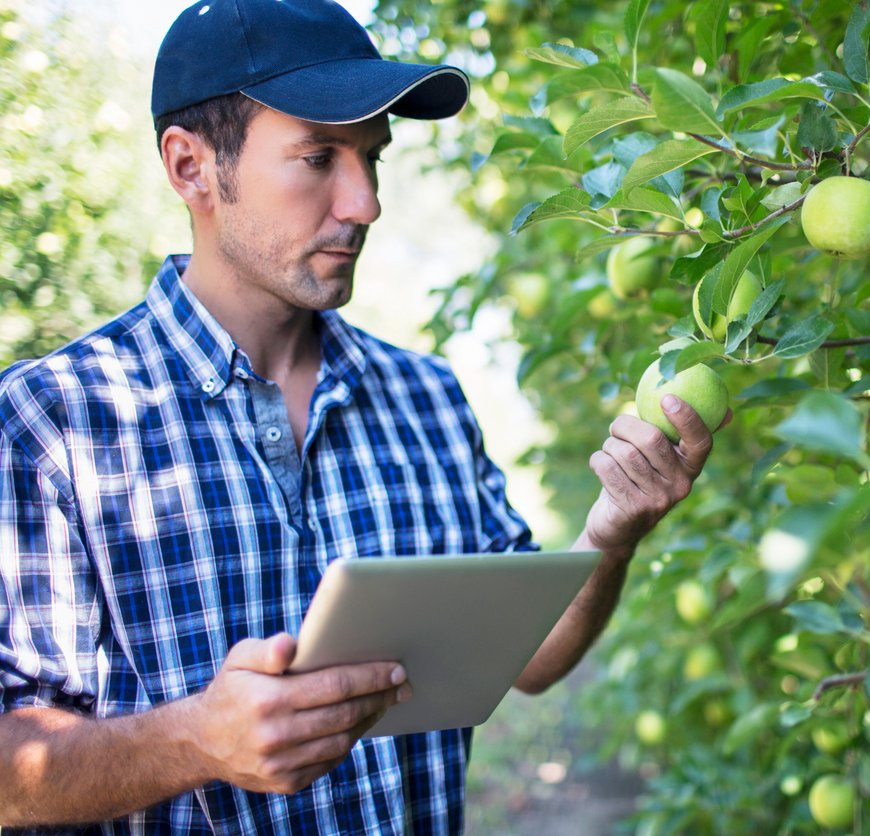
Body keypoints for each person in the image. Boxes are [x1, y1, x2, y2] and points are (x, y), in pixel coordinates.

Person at [0, 1, 723, 832]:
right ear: (191, 167)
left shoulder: (428, 401)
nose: (365, 202)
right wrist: (195, 741)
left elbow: (523, 661)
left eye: (371, 159)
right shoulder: (57, 423)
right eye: (318, 157)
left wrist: (614, 530)